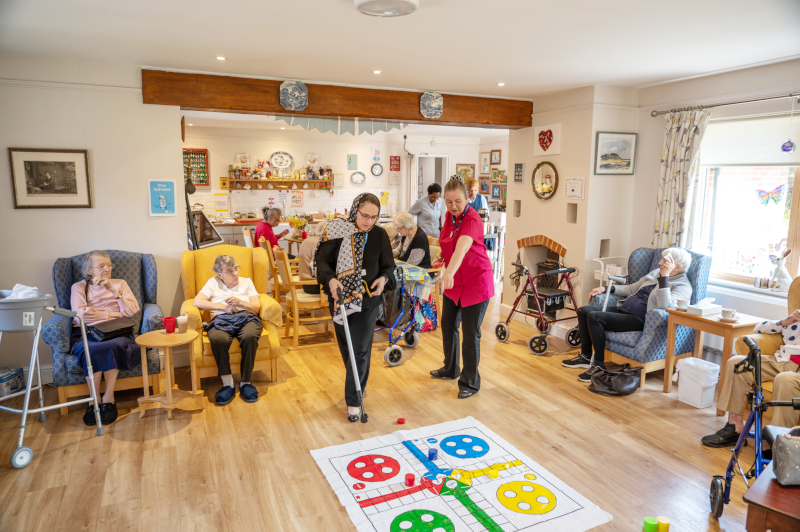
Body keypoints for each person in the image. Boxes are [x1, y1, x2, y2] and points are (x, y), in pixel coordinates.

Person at [315, 193, 396, 421]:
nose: (368, 221)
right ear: (354, 211)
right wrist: (331, 280)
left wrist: (383, 279)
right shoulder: (338, 231)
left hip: (368, 299)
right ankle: (358, 383)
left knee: (359, 348)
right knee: (346, 347)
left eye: (374, 217)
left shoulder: (379, 235)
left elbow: (389, 267)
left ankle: (353, 401)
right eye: (364, 215)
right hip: (340, 298)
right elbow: (321, 261)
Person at [563, 248, 693, 383]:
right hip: (624, 309)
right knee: (583, 311)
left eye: (664, 261)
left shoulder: (683, 285)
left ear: (677, 267)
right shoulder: (656, 273)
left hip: (639, 319)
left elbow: (665, 306)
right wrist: (606, 288)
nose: (659, 263)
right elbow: (633, 288)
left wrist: (664, 279)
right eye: (661, 259)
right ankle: (585, 356)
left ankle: (598, 365)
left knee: (595, 317)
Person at [430, 177, 494, 399]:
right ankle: (451, 368)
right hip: (456, 282)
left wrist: (448, 271)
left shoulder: (473, 219)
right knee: (447, 324)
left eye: (457, 201)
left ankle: (470, 382)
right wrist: (441, 253)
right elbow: (450, 242)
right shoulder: (449, 216)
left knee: (470, 334)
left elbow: (464, 245)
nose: (453, 206)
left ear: (467, 197)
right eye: (448, 202)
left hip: (476, 281)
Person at [702, 315, 800, 447]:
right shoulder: (795, 322)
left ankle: (780, 445)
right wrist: (784, 322)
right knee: (737, 364)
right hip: (783, 361)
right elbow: (758, 328)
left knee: (785, 380)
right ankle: (734, 427)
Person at [70, 250, 140, 426]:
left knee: (112, 346)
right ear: (89, 269)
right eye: (101, 266)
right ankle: (94, 399)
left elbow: (131, 311)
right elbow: (81, 315)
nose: (107, 269)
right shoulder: (78, 287)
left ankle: (108, 398)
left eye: (109, 265)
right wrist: (114, 313)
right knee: (91, 349)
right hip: (88, 333)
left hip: (117, 331)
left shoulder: (120, 284)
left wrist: (111, 290)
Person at [194, 255, 263, 405]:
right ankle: (228, 384)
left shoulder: (247, 282)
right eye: (230, 271)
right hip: (221, 318)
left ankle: (245, 382)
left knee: (250, 336)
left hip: (246, 317)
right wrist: (223, 307)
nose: (235, 274)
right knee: (218, 339)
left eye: (236, 269)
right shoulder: (213, 283)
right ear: (220, 275)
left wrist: (240, 302)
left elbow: (256, 308)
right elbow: (197, 301)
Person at [298, 221, 327, 295]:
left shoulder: (307, 240)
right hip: (315, 285)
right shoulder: (320, 243)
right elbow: (318, 271)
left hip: (305, 284)